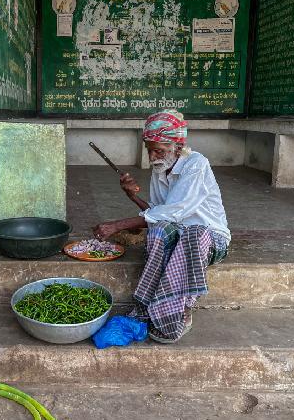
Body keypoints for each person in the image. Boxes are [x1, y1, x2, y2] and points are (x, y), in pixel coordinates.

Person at [93, 109, 230, 343]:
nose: (153, 155)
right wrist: (132, 195)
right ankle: (147, 304)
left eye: (159, 150)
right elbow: (158, 214)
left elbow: (175, 212)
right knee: (158, 231)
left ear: (178, 147)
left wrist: (118, 225)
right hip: (180, 236)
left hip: (209, 241)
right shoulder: (160, 168)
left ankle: (181, 310)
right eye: (149, 149)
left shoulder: (196, 164)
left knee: (195, 233)